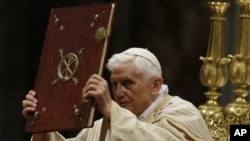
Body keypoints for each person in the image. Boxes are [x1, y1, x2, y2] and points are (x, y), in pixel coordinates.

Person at [22, 47, 213, 141]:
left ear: (155, 85)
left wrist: (109, 109)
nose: (119, 92)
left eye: (128, 83)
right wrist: (43, 130)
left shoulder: (182, 113)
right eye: (114, 84)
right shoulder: (104, 124)